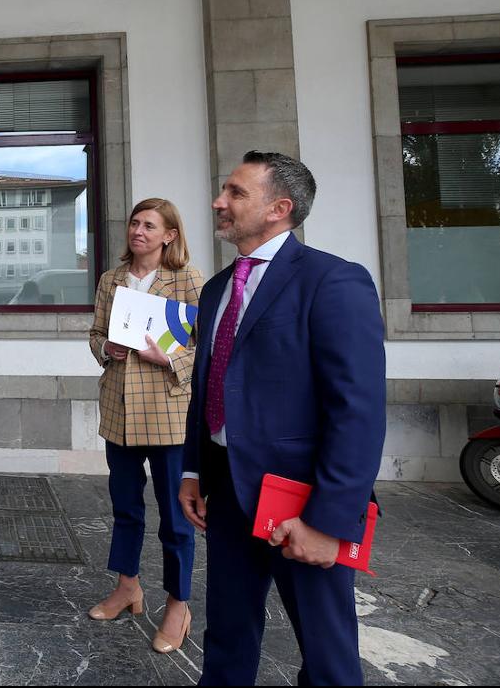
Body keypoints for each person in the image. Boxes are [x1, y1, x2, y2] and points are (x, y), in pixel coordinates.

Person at [178, 151, 385, 685]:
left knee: (327, 654)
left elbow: (357, 413)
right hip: (226, 493)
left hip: (303, 504)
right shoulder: (217, 288)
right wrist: (194, 470)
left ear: (280, 208)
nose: (218, 202)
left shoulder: (333, 281)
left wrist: (328, 522)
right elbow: (209, 388)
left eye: (235, 192)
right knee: (226, 636)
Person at [87, 198, 203, 654]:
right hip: (120, 411)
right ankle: (128, 586)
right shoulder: (111, 280)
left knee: (176, 517)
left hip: (170, 414)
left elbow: (207, 346)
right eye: (134, 222)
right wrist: (106, 349)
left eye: (149, 225)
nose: (138, 231)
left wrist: (170, 356)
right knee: (125, 507)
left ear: (169, 235)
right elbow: (95, 334)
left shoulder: (187, 279)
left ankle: (178, 604)